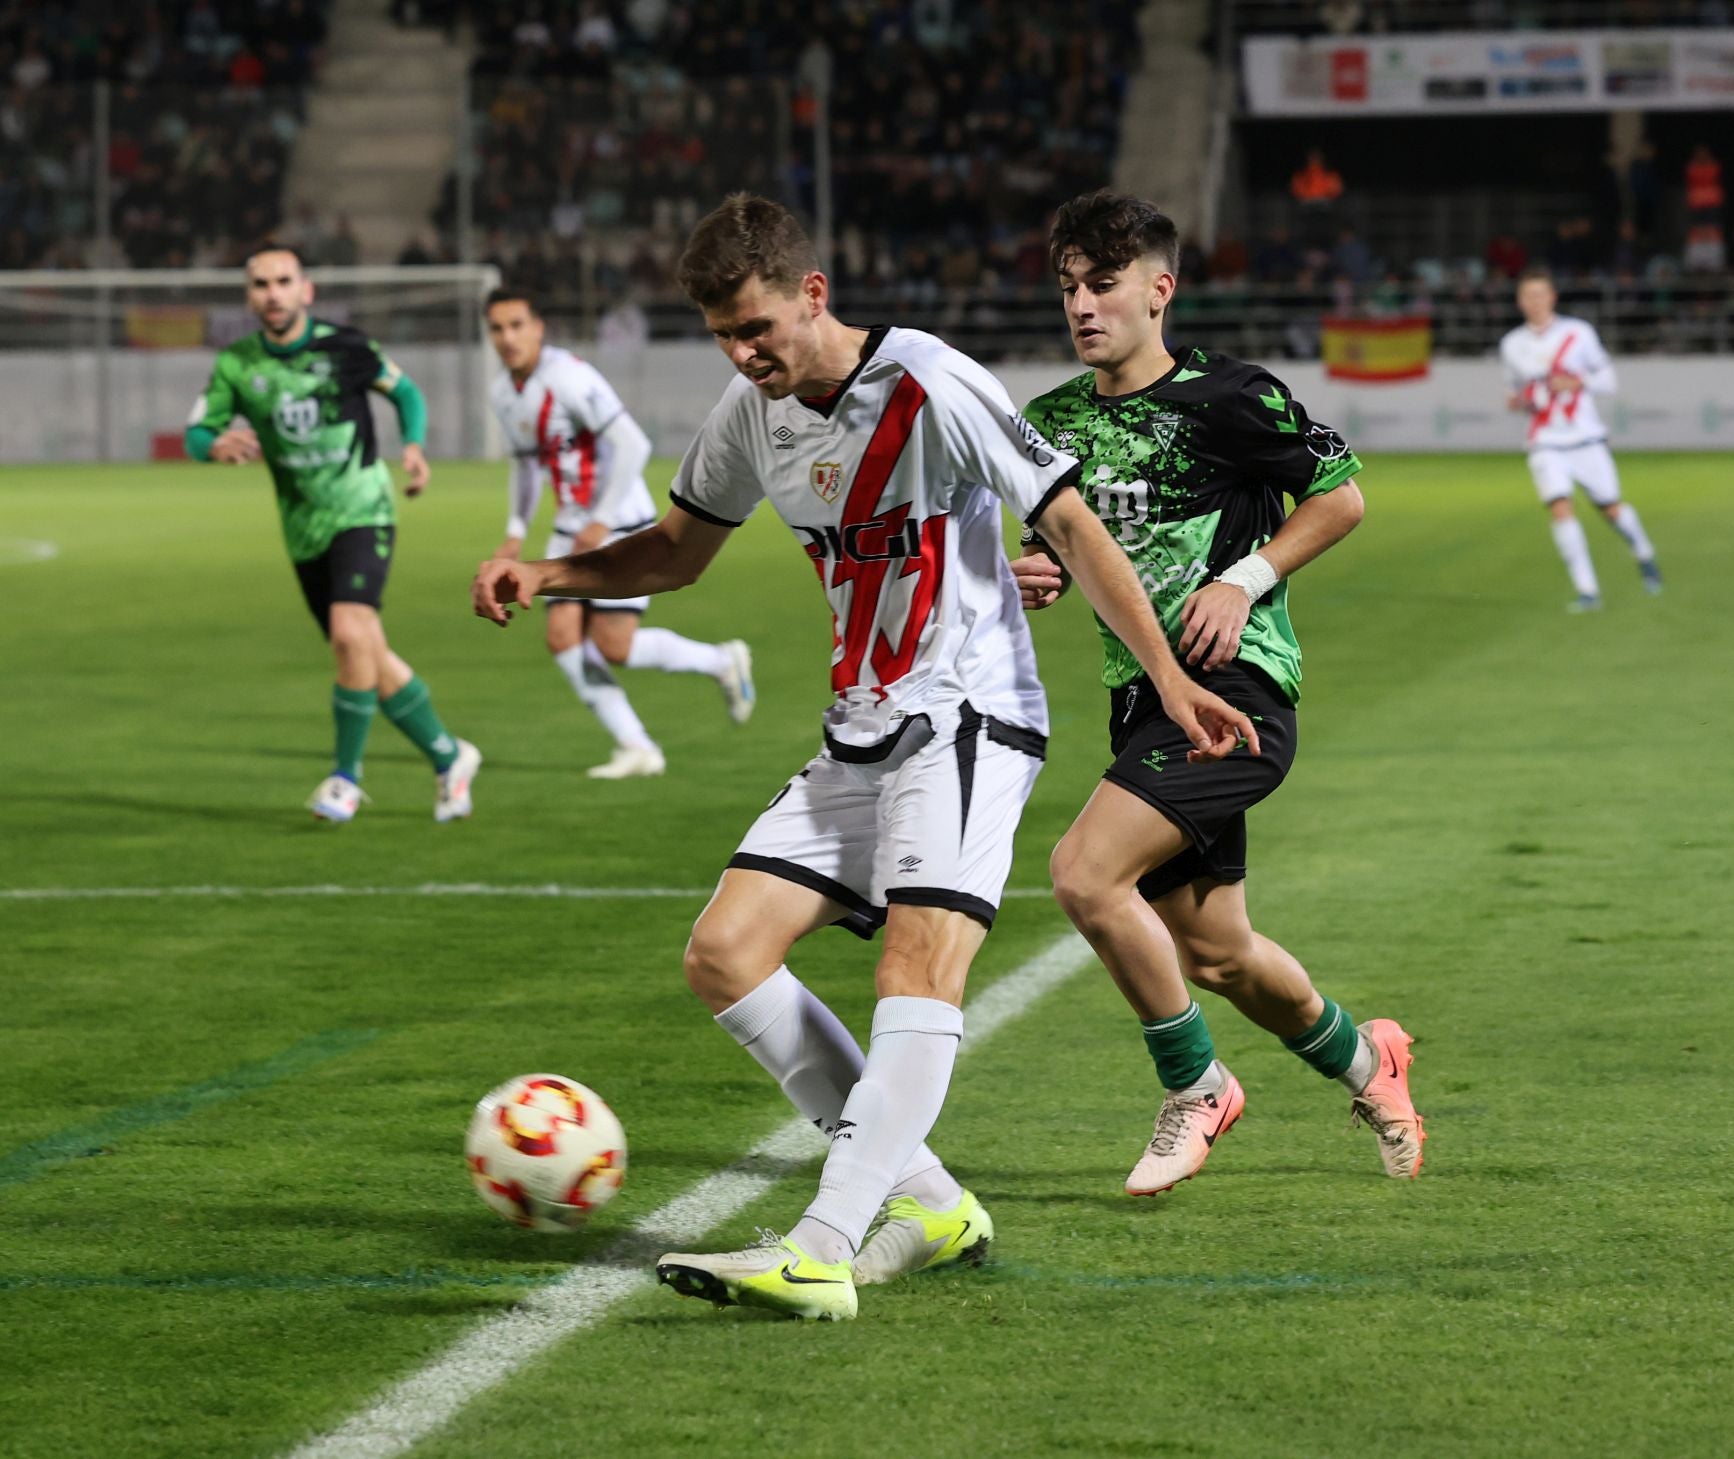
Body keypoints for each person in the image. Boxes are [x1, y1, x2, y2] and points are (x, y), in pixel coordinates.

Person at [470, 194, 1254, 1320]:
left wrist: (1172, 683)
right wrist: (550, 573)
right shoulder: (752, 412)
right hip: (862, 730)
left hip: (973, 719)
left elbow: (1071, 523)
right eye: (726, 338)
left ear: (813, 295)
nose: (746, 355)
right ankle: (927, 1201)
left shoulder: (930, 380)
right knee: (725, 953)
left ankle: (823, 1244)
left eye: (760, 329)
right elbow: (680, 551)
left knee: (916, 971)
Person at [1009, 190, 1424, 1197]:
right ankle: (1374, 1066)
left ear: (1161, 290)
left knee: (1083, 873)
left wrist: (1245, 579)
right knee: (1221, 955)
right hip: (1139, 699)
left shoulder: (1233, 395)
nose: (1082, 306)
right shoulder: (1049, 421)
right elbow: (1052, 544)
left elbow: (1342, 495)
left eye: (1103, 285)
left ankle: (1195, 1085)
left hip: (1239, 692)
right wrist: (1037, 570)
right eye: (1069, 287)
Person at [186, 241, 480, 822]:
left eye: (283, 282)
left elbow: (405, 391)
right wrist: (214, 444)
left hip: (362, 508)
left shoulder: (345, 348)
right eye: (261, 284)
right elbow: (198, 430)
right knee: (364, 648)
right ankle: (450, 756)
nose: (273, 294)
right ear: (250, 296)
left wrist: (415, 446)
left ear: (306, 290)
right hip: (303, 527)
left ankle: (345, 778)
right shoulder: (238, 364)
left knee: (350, 633)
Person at [484, 286, 753, 778]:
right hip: (572, 527)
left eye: (517, 325)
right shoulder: (503, 392)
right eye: (497, 329)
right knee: (561, 637)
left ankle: (720, 661)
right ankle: (636, 746)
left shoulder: (568, 377)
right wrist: (515, 530)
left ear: (538, 327)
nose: (507, 338)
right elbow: (526, 466)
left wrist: (602, 519)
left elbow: (631, 444)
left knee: (614, 647)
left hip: (619, 521)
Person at [1499, 267, 1662, 610]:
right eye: (1528, 296)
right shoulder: (1512, 345)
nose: (1535, 301)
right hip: (1544, 440)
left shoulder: (1578, 333)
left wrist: (1577, 383)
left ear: (1552, 297)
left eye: (1541, 294)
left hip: (1585, 437)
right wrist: (1517, 402)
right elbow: (1517, 392)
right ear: (1520, 301)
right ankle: (1587, 590)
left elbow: (1608, 380)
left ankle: (1644, 552)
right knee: (1560, 508)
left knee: (1611, 508)